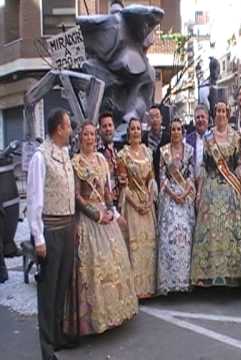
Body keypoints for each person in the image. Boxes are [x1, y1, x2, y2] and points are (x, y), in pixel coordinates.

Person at [64, 122, 137, 336]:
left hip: (104, 215)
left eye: (92, 134)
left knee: (114, 263)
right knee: (94, 266)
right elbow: (76, 196)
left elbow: (106, 190)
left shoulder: (102, 160)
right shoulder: (75, 163)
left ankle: (115, 313)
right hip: (88, 219)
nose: (89, 138)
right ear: (80, 138)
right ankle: (95, 319)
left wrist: (111, 211)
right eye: (85, 134)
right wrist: (96, 215)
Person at [27, 109, 76, 360]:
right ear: (59, 128)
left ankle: (57, 336)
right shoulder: (40, 157)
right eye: (68, 126)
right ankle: (47, 348)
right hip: (51, 231)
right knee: (47, 293)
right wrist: (39, 238)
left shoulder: (65, 153)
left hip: (67, 229)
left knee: (61, 289)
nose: (71, 130)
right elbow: (35, 200)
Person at [191, 101, 241, 287]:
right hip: (211, 188)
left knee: (231, 231)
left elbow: (239, 162)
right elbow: (204, 166)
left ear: (228, 113)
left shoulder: (235, 136)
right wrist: (199, 192)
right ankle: (209, 276)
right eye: (218, 111)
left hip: (230, 188)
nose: (221, 114)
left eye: (224, 111)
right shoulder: (208, 137)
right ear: (214, 114)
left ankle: (232, 275)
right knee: (211, 229)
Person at [118, 118, 157, 299]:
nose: (135, 132)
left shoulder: (148, 153)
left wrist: (149, 201)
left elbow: (151, 179)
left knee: (148, 245)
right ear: (128, 133)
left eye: (138, 129)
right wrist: (136, 204)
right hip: (132, 204)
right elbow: (123, 184)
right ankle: (135, 290)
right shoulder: (123, 155)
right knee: (133, 245)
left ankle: (149, 287)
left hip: (146, 203)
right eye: (132, 129)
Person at [156, 118, 196, 295]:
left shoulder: (189, 151)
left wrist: (185, 194)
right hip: (169, 196)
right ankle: (168, 282)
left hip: (184, 195)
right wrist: (173, 195)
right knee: (168, 238)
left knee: (185, 237)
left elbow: (191, 175)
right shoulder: (163, 151)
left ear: (183, 132)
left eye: (179, 129)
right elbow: (162, 177)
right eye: (173, 129)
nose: (175, 132)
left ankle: (183, 280)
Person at [97, 112, 123, 205]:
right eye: (104, 126)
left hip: (119, 199)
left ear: (114, 128)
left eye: (110, 125)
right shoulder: (96, 152)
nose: (108, 129)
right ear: (99, 130)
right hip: (103, 201)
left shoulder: (119, 149)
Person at [185, 104, 209, 182]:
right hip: (192, 183)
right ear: (194, 120)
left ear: (207, 119)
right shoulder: (186, 141)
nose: (200, 120)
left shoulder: (214, 137)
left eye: (203, 117)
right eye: (197, 117)